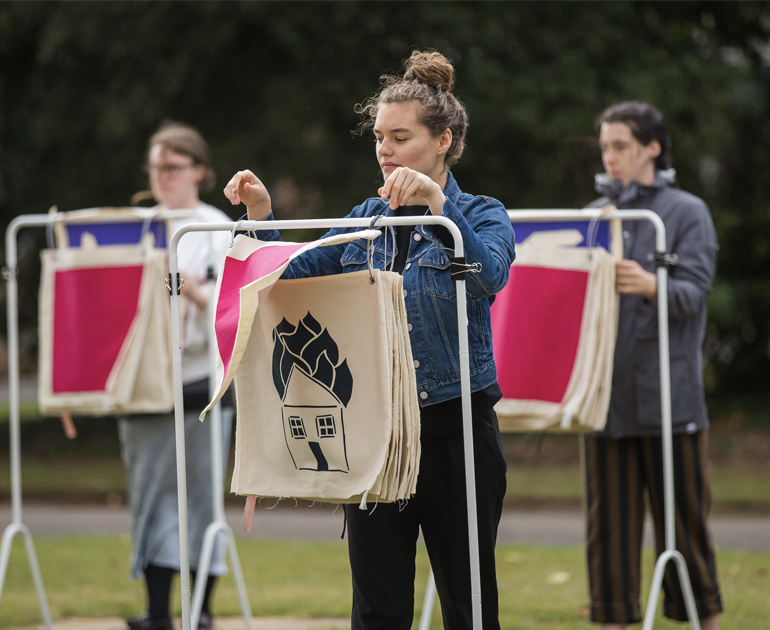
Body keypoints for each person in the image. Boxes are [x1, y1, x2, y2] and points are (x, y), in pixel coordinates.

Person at [223, 51, 515, 630]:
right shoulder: (364, 217)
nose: (384, 149)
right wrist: (261, 216)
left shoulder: (482, 213)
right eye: (379, 137)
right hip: (374, 431)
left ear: (443, 141)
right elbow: (288, 277)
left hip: (457, 429)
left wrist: (438, 207)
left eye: (400, 137)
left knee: (470, 603)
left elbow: (489, 275)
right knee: (377, 607)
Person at [581, 102, 723, 629]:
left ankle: (702, 620)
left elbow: (695, 295)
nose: (610, 157)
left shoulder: (688, 212)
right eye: (605, 147)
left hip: (670, 401)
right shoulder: (595, 216)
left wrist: (649, 284)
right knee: (608, 533)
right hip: (604, 403)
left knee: (685, 528)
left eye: (621, 146)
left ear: (653, 148)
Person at [119, 122, 234, 630]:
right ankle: (158, 613)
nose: (162, 176)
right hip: (145, 386)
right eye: (155, 167)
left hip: (201, 386)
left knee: (202, 502)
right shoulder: (136, 227)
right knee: (151, 499)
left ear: (199, 170)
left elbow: (233, 312)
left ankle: (200, 611)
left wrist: (194, 293)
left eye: (172, 166)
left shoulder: (217, 228)